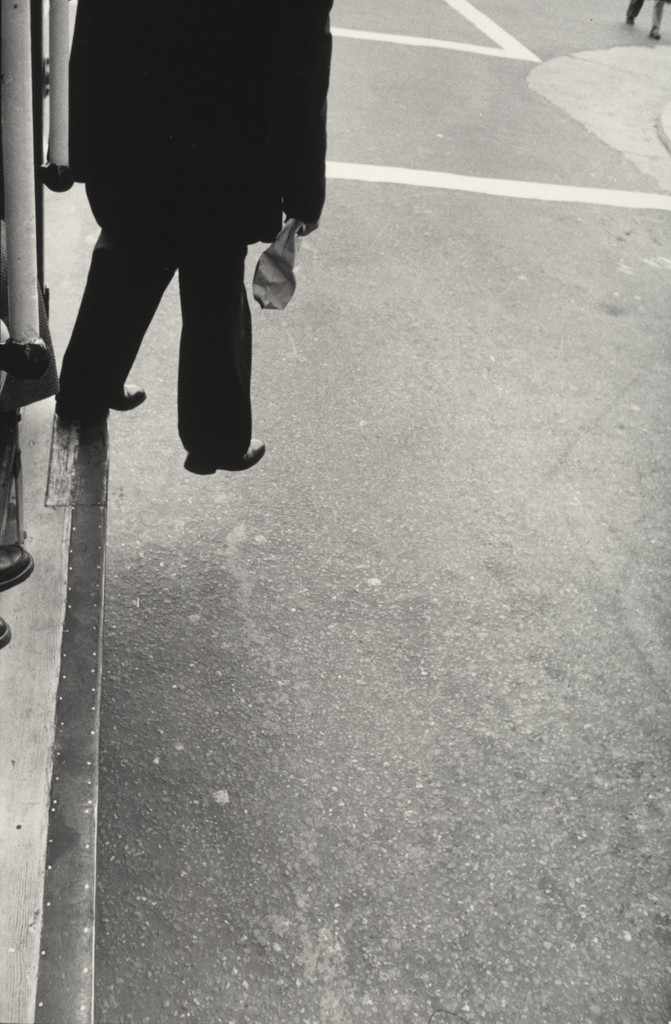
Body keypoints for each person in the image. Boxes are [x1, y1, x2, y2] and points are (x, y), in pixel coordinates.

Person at [56, 0, 334, 474]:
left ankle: (85, 390)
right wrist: (304, 192)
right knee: (214, 283)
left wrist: (77, 145)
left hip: (134, 122)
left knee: (127, 252)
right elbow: (301, 72)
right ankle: (215, 439)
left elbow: (95, 26)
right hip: (228, 141)